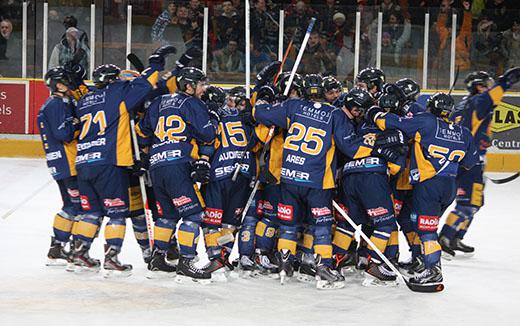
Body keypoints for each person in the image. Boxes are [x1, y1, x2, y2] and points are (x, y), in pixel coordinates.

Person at [253, 73, 376, 290]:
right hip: (317, 182)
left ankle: (284, 264)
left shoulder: (292, 106)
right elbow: (352, 148)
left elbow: (259, 113)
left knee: (288, 224)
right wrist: (376, 144)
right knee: (322, 225)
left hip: (289, 178)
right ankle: (323, 267)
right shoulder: (335, 114)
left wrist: (264, 97)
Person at [71, 46, 175, 274]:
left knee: (92, 213)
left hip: (84, 162)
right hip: (110, 162)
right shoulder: (117, 92)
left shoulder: (85, 100)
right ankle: (112, 258)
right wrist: (156, 64)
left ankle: (79, 253)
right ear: (113, 81)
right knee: (117, 213)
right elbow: (146, 84)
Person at [366, 90, 480, 290]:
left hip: (429, 185)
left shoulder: (426, 121)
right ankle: (421, 260)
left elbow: (393, 124)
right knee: (414, 222)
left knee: (427, 230)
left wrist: (375, 113)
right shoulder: (464, 132)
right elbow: (469, 163)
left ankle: (433, 270)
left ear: (431, 108)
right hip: (449, 186)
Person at [137, 66, 219, 283]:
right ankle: (186, 262)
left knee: (167, 216)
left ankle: (157, 259)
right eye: (201, 84)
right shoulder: (192, 103)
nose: (204, 88)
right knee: (192, 215)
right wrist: (212, 117)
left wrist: (147, 155)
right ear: (189, 86)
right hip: (178, 164)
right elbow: (208, 134)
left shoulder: (158, 102)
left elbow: (142, 132)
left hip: (157, 165)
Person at [439, 68, 520, 257]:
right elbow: (498, 90)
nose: (490, 87)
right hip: (471, 163)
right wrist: (507, 80)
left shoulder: (463, 105)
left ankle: (456, 236)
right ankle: (445, 237)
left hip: (464, 161)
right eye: (487, 84)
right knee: (468, 204)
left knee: (475, 202)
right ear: (478, 87)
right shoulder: (479, 102)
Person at [38, 67, 81, 266]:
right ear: (58, 85)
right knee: (77, 206)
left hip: (63, 162)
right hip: (67, 162)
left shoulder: (61, 102)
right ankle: (70, 249)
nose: (69, 84)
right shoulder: (55, 104)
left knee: (71, 205)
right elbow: (63, 134)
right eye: (65, 81)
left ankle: (58, 248)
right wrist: (76, 123)